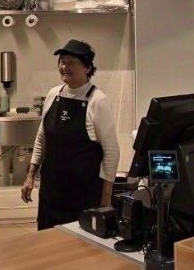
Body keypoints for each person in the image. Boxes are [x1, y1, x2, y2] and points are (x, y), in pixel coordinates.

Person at [21, 39, 120, 230]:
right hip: (51, 191)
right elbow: (42, 138)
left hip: (83, 194)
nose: (65, 67)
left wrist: (106, 197)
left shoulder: (98, 101)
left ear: (87, 67)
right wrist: (30, 176)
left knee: (80, 243)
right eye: (62, 62)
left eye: (72, 62)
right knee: (48, 240)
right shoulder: (53, 94)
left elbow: (111, 152)